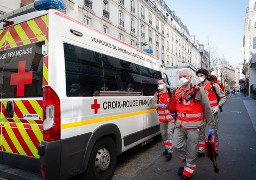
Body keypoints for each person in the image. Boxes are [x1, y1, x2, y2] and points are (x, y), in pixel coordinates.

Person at [169, 68, 215, 180]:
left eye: (184, 76)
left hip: (194, 127)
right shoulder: (177, 91)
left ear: (190, 78)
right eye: (180, 77)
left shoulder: (199, 91)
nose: (182, 79)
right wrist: (173, 96)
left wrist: (211, 128)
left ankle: (188, 171)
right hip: (180, 125)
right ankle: (184, 164)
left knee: (192, 150)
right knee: (176, 146)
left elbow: (207, 109)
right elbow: (172, 108)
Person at [196, 69, 226, 157]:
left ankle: (214, 149)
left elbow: (223, 97)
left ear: (205, 76)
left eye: (201, 75)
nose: (199, 77)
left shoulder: (214, 85)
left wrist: (218, 106)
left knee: (212, 132)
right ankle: (201, 150)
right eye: (198, 76)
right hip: (201, 113)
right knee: (200, 131)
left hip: (213, 113)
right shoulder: (197, 87)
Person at [151, 78, 176, 161]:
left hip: (170, 117)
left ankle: (170, 151)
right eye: (158, 84)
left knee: (169, 132)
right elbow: (153, 104)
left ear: (165, 84)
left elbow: (177, 89)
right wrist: (159, 105)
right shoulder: (157, 94)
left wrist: (170, 87)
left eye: (161, 83)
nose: (159, 85)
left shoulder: (170, 92)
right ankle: (167, 148)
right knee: (163, 134)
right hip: (162, 118)